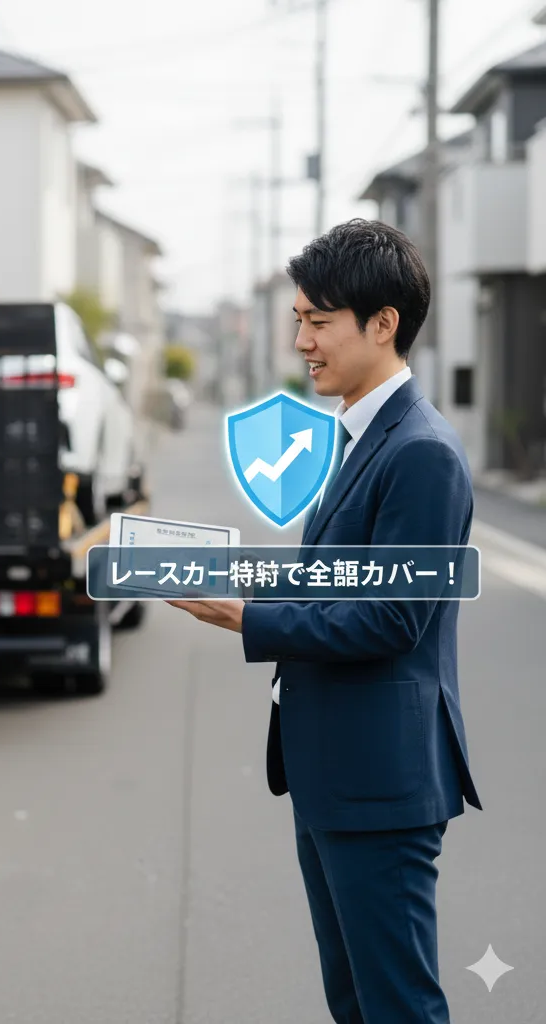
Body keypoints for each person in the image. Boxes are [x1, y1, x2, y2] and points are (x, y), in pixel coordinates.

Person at [168, 219, 481, 1024]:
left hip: (381, 783)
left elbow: (389, 618)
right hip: (337, 773)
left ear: (383, 323)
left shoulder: (420, 452)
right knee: (356, 1002)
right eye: (297, 319)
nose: (302, 340)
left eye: (318, 321)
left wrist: (249, 618)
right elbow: (340, 580)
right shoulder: (360, 433)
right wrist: (240, 573)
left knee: (398, 1006)